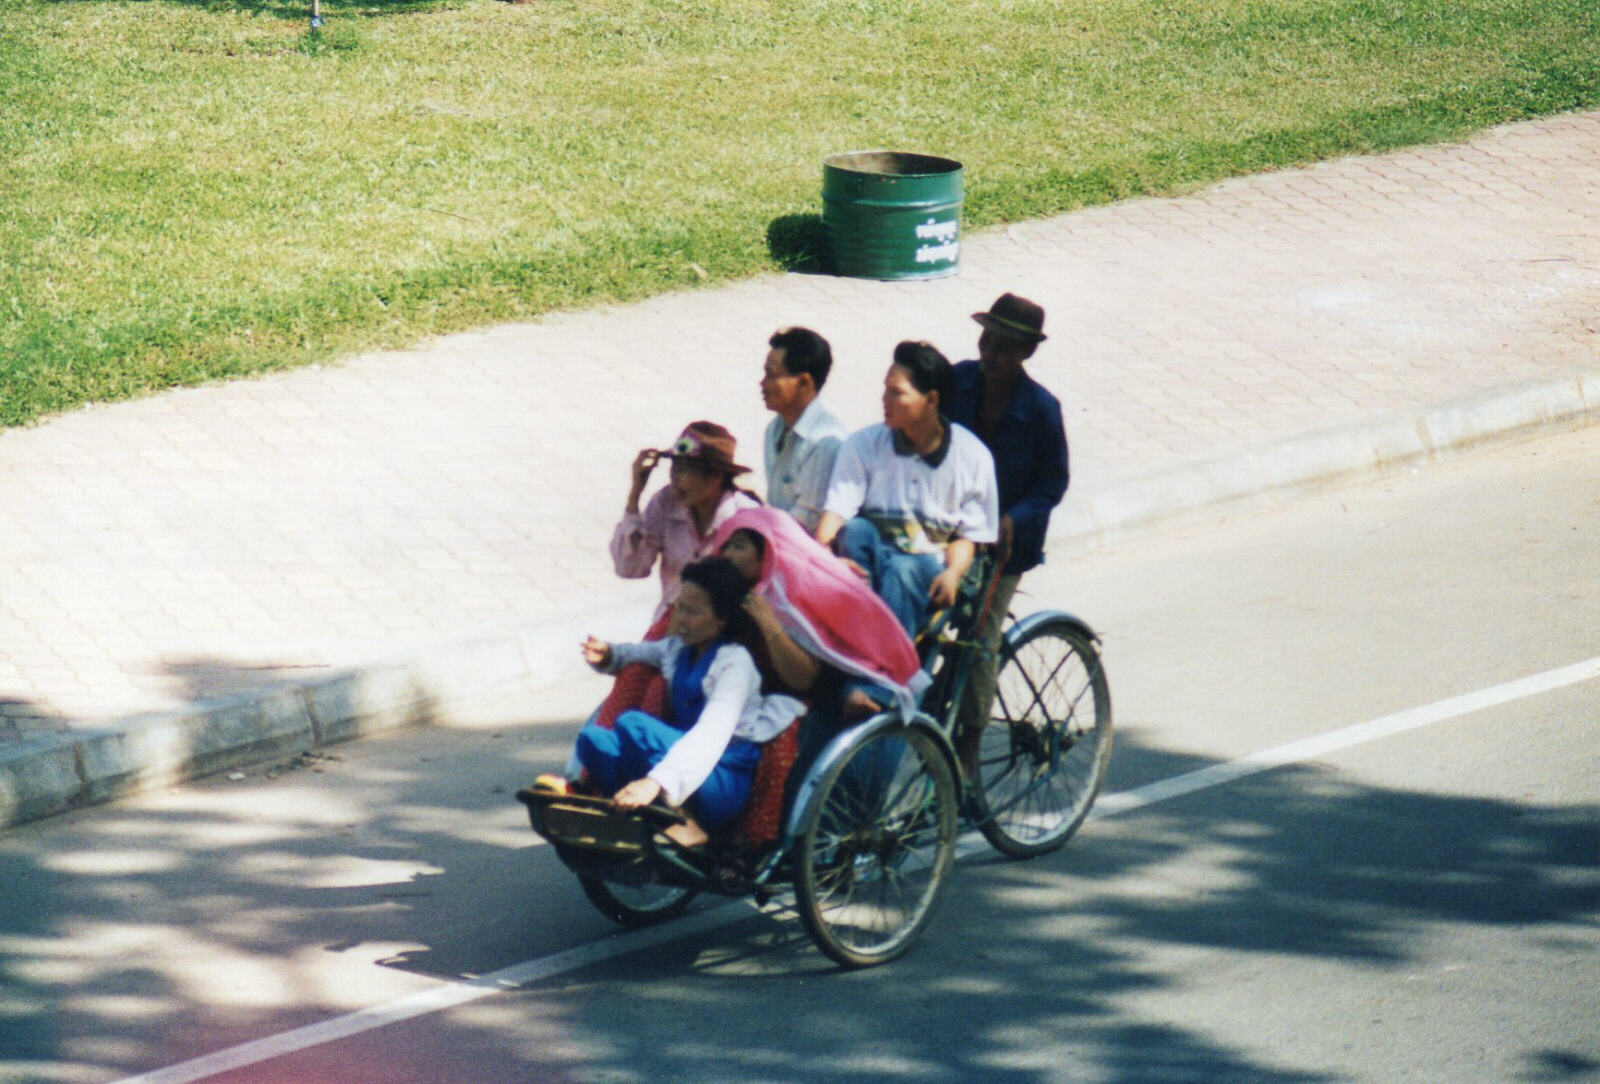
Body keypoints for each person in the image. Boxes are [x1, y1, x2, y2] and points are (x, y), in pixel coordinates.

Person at [575, 558, 805, 849]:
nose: (680, 619)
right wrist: (608, 655)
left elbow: (711, 735)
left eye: (692, 611)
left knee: (632, 724)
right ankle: (629, 814)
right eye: (679, 608)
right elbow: (634, 654)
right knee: (592, 739)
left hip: (720, 778)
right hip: (677, 766)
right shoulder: (676, 650)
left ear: (721, 619)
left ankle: (684, 821)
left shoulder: (735, 664)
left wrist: (655, 783)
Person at [944, 293, 1070, 771]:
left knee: (979, 635)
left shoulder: (1041, 408)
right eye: (987, 341)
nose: (990, 354)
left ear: (1026, 353)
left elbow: (1053, 482)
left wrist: (1013, 518)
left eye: (1002, 347)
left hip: (1006, 545)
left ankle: (971, 744)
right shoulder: (959, 381)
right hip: (953, 528)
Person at [814, 340, 999, 638]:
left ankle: (887, 667)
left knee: (902, 570)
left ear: (931, 400)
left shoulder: (972, 456)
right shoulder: (863, 445)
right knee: (857, 530)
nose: (884, 400)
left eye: (896, 392)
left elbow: (969, 537)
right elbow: (836, 514)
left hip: (925, 572)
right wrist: (825, 554)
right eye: (885, 389)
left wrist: (952, 574)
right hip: (872, 566)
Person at [611, 421, 761, 625]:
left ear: (716, 476)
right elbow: (629, 568)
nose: (675, 479)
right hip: (670, 625)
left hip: (723, 630)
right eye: (674, 468)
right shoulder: (665, 503)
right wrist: (634, 497)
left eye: (686, 470)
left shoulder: (745, 516)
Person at [760, 326, 849, 534]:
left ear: (804, 382)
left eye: (772, 375)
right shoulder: (773, 429)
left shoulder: (825, 442)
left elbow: (807, 522)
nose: (762, 383)